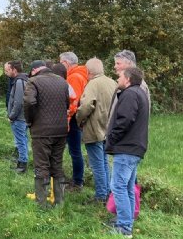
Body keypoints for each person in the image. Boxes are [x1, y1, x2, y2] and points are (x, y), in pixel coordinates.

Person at [106, 66, 150, 238]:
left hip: (126, 148)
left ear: (128, 79)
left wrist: (112, 138)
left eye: (120, 76)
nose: (117, 79)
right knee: (128, 187)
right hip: (134, 147)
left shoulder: (130, 94)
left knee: (118, 186)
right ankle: (126, 220)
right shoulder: (140, 93)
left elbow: (124, 120)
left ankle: (124, 228)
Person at [24, 60, 70, 207]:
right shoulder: (62, 82)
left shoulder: (33, 81)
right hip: (61, 129)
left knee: (42, 165)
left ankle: (41, 203)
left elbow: (29, 102)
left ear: (34, 70)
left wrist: (29, 120)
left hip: (41, 131)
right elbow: (67, 103)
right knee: (57, 164)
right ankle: (59, 201)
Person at [76, 58, 118, 203]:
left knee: (97, 164)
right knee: (105, 162)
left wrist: (78, 119)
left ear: (88, 71)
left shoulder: (93, 84)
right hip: (108, 128)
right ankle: (107, 193)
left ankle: (100, 196)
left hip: (94, 129)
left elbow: (86, 106)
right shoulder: (113, 82)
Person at [60, 52, 89, 191]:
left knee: (75, 151)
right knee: (74, 150)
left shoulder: (74, 77)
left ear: (66, 63)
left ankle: (77, 181)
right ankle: (75, 179)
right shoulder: (80, 74)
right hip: (76, 118)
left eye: (61, 62)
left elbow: (73, 101)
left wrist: (67, 117)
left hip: (72, 119)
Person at [5, 60, 29, 173]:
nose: (6, 73)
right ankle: (21, 161)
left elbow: (18, 102)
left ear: (14, 70)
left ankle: (22, 165)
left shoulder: (19, 81)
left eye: (8, 70)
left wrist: (12, 116)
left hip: (19, 117)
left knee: (20, 141)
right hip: (23, 117)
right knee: (23, 139)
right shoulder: (23, 79)